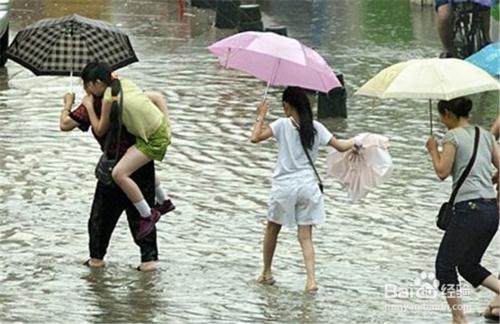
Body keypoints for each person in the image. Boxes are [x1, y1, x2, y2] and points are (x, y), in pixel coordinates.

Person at [250, 86, 358, 293]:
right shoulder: (316, 127)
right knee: (306, 236)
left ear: (288, 106)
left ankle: (266, 272)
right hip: (308, 188)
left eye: (284, 105)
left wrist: (261, 115)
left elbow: (255, 138)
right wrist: (358, 141)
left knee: (273, 229)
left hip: (284, 187)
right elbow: (342, 146)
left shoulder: (281, 125)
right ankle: (311, 281)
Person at [60, 86, 174, 272]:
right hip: (140, 165)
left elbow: (65, 125)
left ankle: (97, 265)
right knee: (143, 221)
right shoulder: (129, 99)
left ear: (94, 84)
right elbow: (158, 97)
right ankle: (148, 268)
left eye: (86, 83)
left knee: (100, 222)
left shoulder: (93, 105)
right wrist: (167, 126)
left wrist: (67, 104)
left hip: (114, 168)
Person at [425, 97, 499, 323]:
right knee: (468, 265)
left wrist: (432, 149)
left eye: (441, 115)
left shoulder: (452, 137)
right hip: (490, 211)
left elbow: (441, 171)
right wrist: (495, 178)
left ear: (448, 113)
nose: (440, 120)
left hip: (469, 210)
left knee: (444, 266)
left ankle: (459, 319)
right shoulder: (485, 135)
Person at [81, 62, 172, 240]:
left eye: (88, 86)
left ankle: (147, 214)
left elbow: (99, 129)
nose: (88, 92)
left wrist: (89, 106)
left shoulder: (109, 98)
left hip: (153, 139)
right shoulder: (125, 83)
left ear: (98, 83)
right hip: (159, 131)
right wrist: (167, 124)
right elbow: (158, 97)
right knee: (132, 162)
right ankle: (164, 201)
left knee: (119, 173)